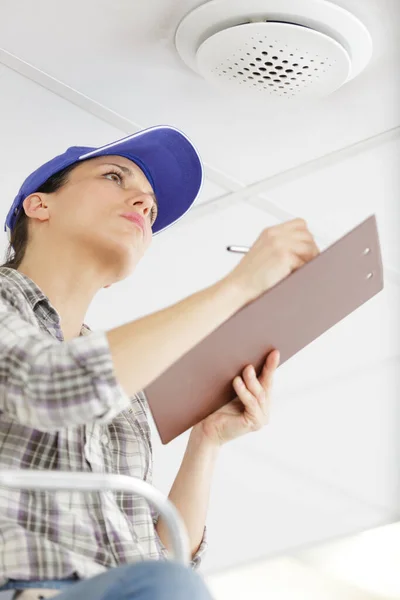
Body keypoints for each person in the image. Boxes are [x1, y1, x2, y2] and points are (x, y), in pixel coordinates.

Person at [0, 125, 319, 600]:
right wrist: (238, 287)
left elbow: (158, 560)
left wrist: (206, 441)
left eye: (149, 204)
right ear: (39, 204)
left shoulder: (124, 387)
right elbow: (51, 387)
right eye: (115, 177)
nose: (143, 204)